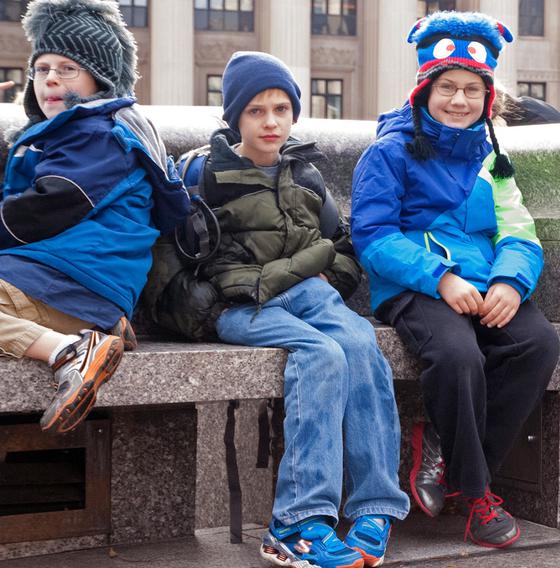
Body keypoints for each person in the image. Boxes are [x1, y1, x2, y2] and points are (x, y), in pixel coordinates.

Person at [150, 52, 409, 568]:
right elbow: (166, 263)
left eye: (281, 109)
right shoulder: (202, 174)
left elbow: (344, 248)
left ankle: (374, 506)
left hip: (308, 295)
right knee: (322, 354)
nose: (271, 122)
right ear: (234, 117)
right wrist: (204, 311)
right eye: (256, 111)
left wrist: (324, 273)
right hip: (235, 304)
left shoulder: (305, 174)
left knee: (361, 346)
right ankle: (298, 522)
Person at [350, 11, 559, 549]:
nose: (459, 100)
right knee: (458, 354)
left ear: (487, 98)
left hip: (485, 282)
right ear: (426, 89)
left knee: (536, 343)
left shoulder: (492, 156)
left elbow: (518, 228)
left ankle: (443, 446)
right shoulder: (389, 151)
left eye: (471, 89)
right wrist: (440, 278)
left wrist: (511, 282)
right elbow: (373, 236)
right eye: (448, 87)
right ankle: (478, 495)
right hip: (416, 287)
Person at [0, 0, 189, 434]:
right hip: (71, 280)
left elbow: (42, 211)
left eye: (68, 68)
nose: (50, 78)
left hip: (69, 282)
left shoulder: (99, 136)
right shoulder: (72, 134)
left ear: (98, 80)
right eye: (42, 67)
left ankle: (71, 352)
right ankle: (97, 329)